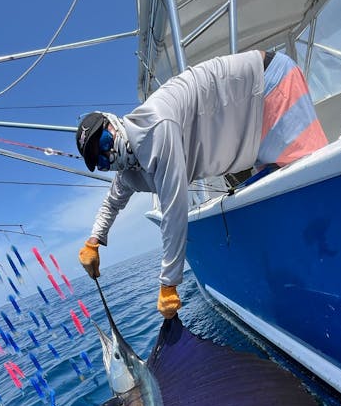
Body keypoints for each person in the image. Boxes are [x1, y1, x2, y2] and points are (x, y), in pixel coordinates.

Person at [77, 50, 327, 318]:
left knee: (317, 188)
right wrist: (94, 241)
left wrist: (168, 284)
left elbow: (174, 211)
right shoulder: (127, 171)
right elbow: (112, 202)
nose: (109, 156)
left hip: (267, 85)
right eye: (101, 161)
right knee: (291, 199)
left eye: (105, 144)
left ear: (113, 122)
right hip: (249, 126)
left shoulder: (154, 129)